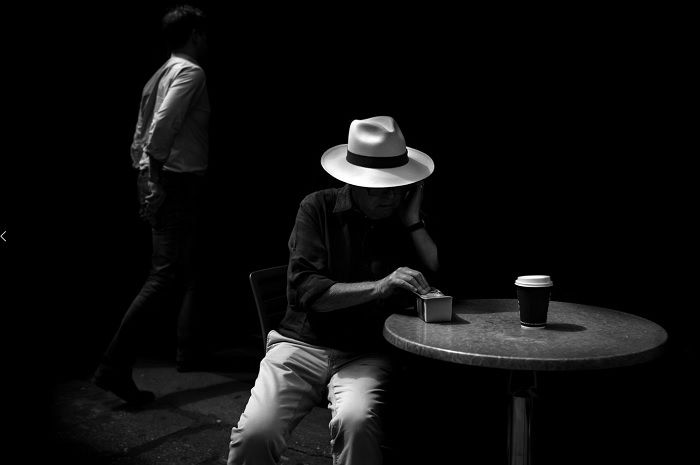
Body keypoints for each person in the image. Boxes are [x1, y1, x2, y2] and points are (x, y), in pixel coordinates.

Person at [227, 116, 440, 465]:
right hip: (300, 344)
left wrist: (413, 221)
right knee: (255, 434)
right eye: (378, 187)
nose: (389, 196)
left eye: (397, 186)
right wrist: (382, 285)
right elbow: (310, 292)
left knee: (357, 422)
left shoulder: (400, 218)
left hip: (364, 352)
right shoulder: (317, 208)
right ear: (353, 181)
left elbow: (440, 276)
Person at [93, 5, 210, 405]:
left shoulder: (159, 73)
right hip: (175, 181)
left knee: (185, 266)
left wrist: (144, 174)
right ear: (194, 33)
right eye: (204, 33)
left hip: (163, 178)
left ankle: (188, 350)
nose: (207, 40)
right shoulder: (190, 72)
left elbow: (139, 135)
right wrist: (157, 179)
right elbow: (160, 127)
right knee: (163, 275)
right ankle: (113, 366)